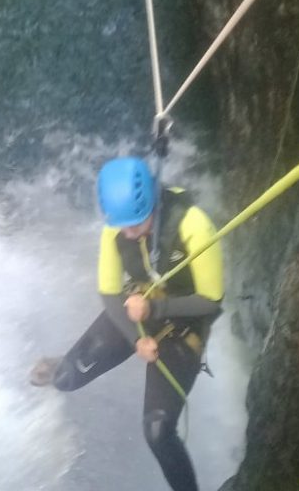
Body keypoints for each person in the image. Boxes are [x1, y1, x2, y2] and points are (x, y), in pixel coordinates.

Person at [30, 156, 224, 491]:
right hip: (137, 310)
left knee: (158, 432)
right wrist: (137, 339)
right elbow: (108, 293)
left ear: (153, 203)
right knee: (65, 378)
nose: (131, 232)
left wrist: (154, 309)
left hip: (183, 326)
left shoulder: (193, 224)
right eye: (125, 226)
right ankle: (63, 362)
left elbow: (211, 301)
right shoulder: (116, 228)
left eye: (139, 222)